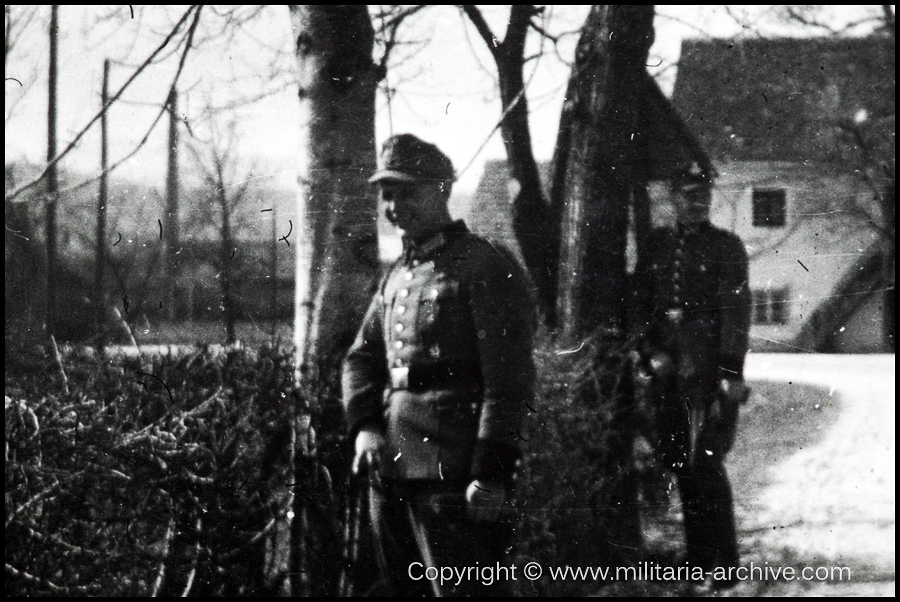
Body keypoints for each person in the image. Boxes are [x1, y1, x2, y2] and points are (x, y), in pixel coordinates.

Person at [342, 133, 536, 596]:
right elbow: (361, 358)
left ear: (443, 190)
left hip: (455, 467)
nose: (394, 206)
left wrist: (492, 471)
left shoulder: (483, 264)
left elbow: (508, 379)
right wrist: (366, 426)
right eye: (387, 195)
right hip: (391, 465)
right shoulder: (396, 274)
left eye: (408, 191)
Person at [633, 163, 751, 587]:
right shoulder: (656, 246)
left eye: (703, 195)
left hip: (705, 374)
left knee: (706, 464)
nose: (697, 202)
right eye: (688, 195)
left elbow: (736, 314)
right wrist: (650, 353)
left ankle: (723, 564)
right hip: (668, 375)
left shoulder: (727, 247)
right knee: (681, 464)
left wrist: (729, 371)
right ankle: (700, 558)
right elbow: (641, 306)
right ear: (673, 199)